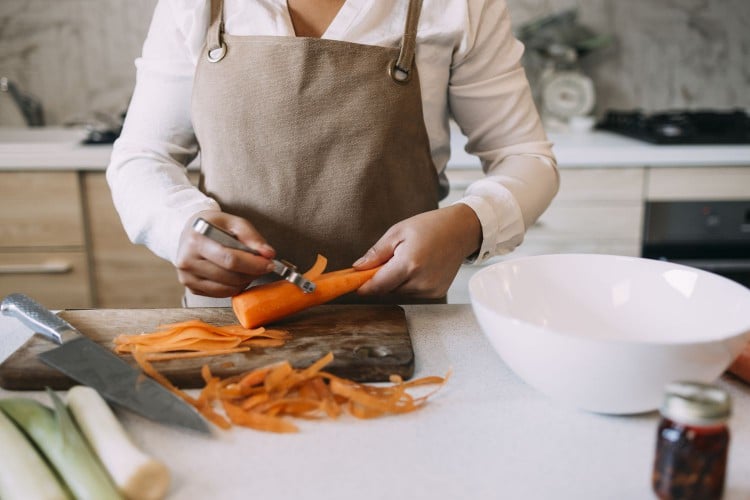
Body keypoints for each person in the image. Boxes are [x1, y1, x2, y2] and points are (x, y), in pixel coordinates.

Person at [107, 0, 559, 307]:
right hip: (229, 326)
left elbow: (524, 156)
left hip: (399, 323)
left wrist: (468, 225)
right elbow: (143, 155)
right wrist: (178, 225)